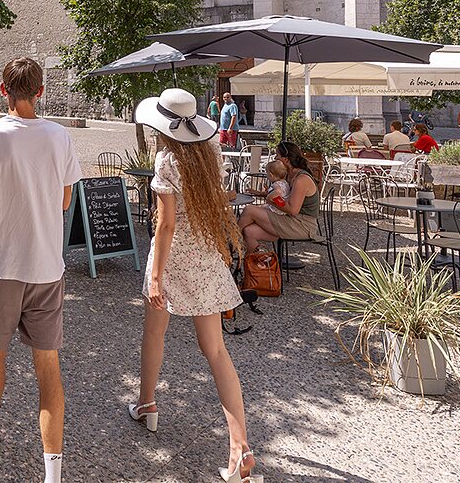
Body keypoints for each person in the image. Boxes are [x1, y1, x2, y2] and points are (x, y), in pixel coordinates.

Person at [0, 57, 82, 483]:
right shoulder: (59, 136)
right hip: (46, 266)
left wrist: (0, 205)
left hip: (2, 265)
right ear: (42, 91)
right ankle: (52, 475)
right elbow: (65, 203)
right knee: (48, 367)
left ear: (3, 89)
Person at [128, 87, 255, 483]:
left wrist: (155, 274)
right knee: (216, 351)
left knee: (154, 331)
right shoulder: (210, 153)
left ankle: (147, 402)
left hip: (174, 255)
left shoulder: (166, 160)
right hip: (204, 254)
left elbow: (165, 224)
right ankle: (240, 448)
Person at [238, 141, 322, 251]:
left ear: (286, 159)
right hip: (289, 220)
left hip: (302, 225)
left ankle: (231, 241)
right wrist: (264, 194)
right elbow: (283, 198)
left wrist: (274, 200)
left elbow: (292, 210)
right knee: (249, 231)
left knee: (249, 210)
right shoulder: (288, 176)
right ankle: (256, 265)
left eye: (277, 155)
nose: (275, 158)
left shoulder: (301, 179)